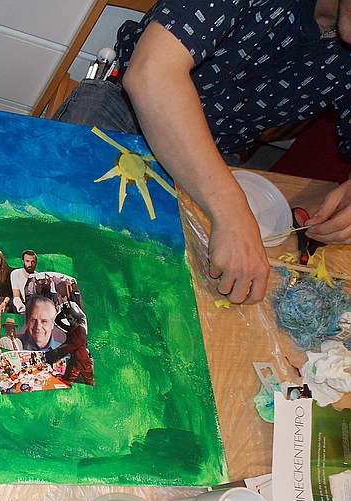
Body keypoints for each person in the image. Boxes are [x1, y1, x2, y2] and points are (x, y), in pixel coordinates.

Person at [54, 0, 351, 305]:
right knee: (60, 249)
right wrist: (231, 211)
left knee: (160, 296)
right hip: (124, 109)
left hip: (217, 153)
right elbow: (151, 74)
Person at [48, 303, 95, 385]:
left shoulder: (81, 330)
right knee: (67, 379)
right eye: (68, 319)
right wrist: (64, 312)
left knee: (89, 381)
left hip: (83, 360)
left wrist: (58, 351)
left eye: (70, 319)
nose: (69, 321)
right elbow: (58, 321)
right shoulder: (72, 329)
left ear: (76, 319)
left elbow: (75, 345)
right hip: (74, 360)